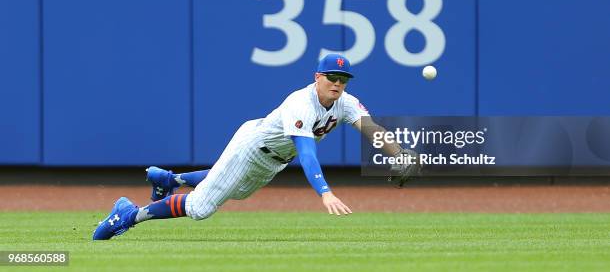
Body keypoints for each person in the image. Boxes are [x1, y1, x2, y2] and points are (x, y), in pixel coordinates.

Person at [93, 53, 410, 240]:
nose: (337, 83)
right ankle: (129, 215)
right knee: (200, 208)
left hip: (273, 160)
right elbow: (307, 152)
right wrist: (324, 191)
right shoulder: (302, 103)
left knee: (236, 191)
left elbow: (372, 130)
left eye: (343, 78)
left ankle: (170, 180)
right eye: (331, 77)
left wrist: (401, 156)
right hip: (252, 146)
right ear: (317, 77)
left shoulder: (346, 103)